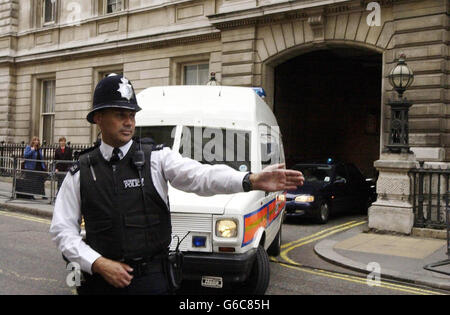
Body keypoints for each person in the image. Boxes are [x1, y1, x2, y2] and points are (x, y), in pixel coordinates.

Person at [49, 74, 304, 295]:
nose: (129, 122)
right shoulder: (80, 172)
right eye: (119, 115)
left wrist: (250, 179)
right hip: (101, 284)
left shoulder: (157, 158)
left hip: (152, 281)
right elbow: (63, 232)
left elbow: (201, 176)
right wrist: (98, 263)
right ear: (98, 118)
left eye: (131, 115)